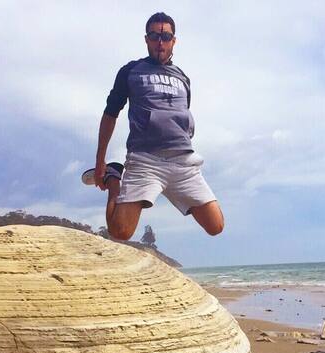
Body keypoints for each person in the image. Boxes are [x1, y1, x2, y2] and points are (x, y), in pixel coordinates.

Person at [84, 12, 223, 240]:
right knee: (120, 232)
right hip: (145, 159)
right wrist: (100, 160)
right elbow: (110, 114)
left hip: (183, 161)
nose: (160, 42)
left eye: (166, 36)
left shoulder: (183, 78)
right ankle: (113, 179)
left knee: (216, 225)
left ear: (173, 41)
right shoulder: (131, 71)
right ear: (146, 39)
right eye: (154, 36)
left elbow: (181, 113)